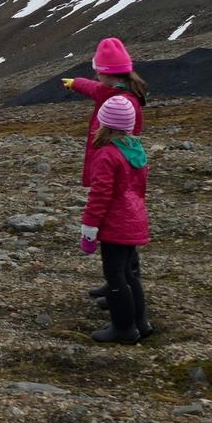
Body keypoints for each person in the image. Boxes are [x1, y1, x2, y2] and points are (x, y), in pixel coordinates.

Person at [61, 37, 149, 307]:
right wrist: (76, 83)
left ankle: (120, 288)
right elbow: (94, 89)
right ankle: (118, 284)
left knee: (118, 243)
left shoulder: (119, 101)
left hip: (117, 178)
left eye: (98, 71)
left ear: (105, 73)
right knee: (124, 240)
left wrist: (88, 228)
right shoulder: (118, 90)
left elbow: (97, 90)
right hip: (126, 184)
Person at [78, 95, 152, 343]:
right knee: (129, 274)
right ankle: (141, 322)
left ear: (104, 124)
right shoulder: (135, 150)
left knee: (115, 275)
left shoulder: (107, 155)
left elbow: (100, 194)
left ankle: (124, 328)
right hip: (134, 219)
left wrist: (89, 227)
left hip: (116, 225)